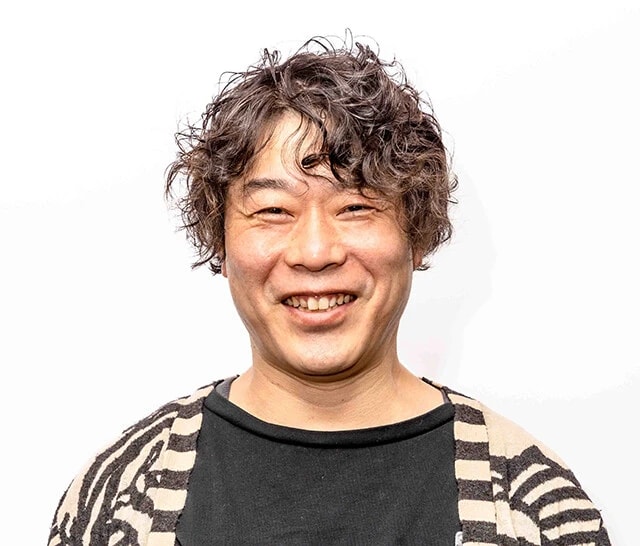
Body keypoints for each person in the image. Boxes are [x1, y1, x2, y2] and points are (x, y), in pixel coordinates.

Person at [49, 35, 610, 546]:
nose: (315, 252)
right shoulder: (123, 497)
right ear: (220, 241)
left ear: (417, 233)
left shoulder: (531, 505)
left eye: (356, 207)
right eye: (273, 210)